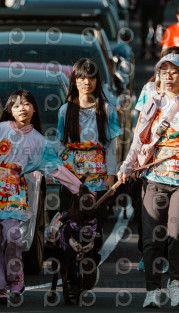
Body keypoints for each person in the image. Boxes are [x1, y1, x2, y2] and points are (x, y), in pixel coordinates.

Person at [0, 90, 83, 303]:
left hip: (14, 194)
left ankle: (15, 275)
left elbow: (57, 168)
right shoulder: (0, 130)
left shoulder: (39, 141)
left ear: (34, 109)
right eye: (17, 105)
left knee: (13, 236)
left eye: (27, 104)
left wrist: (80, 189)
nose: (22, 108)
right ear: (10, 110)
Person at [118, 52, 179, 308]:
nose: (168, 76)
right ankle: (152, 289)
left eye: (174, 71)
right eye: (164, 72)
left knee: (177, 231)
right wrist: (127, 165)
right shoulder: (152, 102)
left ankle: (176, 284)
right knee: (151, 237)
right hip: (154, 177)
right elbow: (139, 138)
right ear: (158, 75)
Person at [133, 47, 179, 272]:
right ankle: (148, 254)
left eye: (176, 68)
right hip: (153, 164)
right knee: (149, 215)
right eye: (165, 67)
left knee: (175, 221)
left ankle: (171, 260)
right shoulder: (150, 89)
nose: (170, 74)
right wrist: (135, 158)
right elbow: (141, 125)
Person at [57, 58, 122, 263]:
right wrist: (56, 172)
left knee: (95, 226)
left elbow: (111, 146)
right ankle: (70, 269)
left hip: (98, 180)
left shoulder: (107, 110)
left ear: (97, 81)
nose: (87, 82)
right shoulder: (65, 110)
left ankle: (91, 263)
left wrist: (111, 175)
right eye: (82, 78)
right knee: (70, 224)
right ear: (74, 81)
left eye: (91, 78)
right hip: (71, 178)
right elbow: (60, 146)